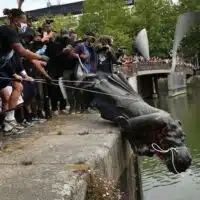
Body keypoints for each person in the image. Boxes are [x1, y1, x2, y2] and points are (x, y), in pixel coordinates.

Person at [0, 8, 51, 134]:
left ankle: (9, 122)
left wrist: (19, 74)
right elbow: (22, 52)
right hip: (2, 69)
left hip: (4, 68)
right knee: (14, 89)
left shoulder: (10, 32)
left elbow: (13, 58)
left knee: (17, 86)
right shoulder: (8, 31)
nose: (25, 25)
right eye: (24, 21)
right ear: (16, 20)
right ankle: (8, 122)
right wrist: (40, 56)